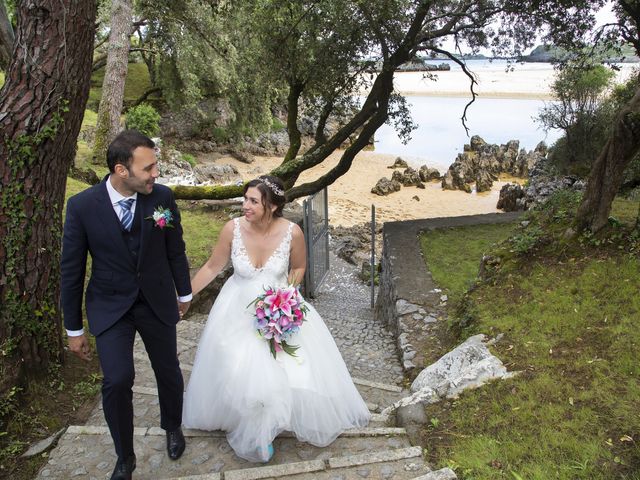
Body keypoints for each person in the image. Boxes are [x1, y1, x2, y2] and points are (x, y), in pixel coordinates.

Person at [182, 175, 370, 462]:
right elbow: (213, 265)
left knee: (281, 371)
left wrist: (287, 299)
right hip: (236, 311)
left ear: (270, 206)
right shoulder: (231, 229)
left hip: (278, 311)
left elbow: (299, 266)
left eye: (253, 201)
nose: (245, 205)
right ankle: (249, 422)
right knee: (237, 367)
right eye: (245, 199)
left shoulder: (292, 232)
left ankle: (263, 431)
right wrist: (185, 296)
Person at [61, 130, 192, 480]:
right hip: (110, 305)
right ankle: (125, 455)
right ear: (122, 170)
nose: (156, 174)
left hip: (156, 300)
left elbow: (175, 249)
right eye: (148, 167)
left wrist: (184, 293)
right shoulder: (82, 207)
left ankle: (173, 425)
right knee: (117, 380)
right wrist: (74, 329)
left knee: (168, 370)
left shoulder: (161, 197)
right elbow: (71, 271)